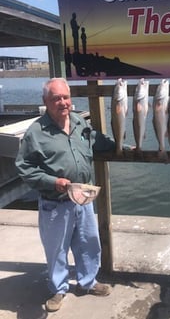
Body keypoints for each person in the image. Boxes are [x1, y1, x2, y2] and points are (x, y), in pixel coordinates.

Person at [15, 78, 124, 312]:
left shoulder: (78, 122)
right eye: (56, 98)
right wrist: (53, 182)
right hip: (55, 203)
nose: (62, 102)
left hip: (83, 198)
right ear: (46, 101)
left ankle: (88, 281)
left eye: (65, 97)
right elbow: (24, 167)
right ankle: (58, 288)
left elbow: (98, 141)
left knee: (89, 243)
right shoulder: (36, 132)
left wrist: (122, 145)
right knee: (57, 249)